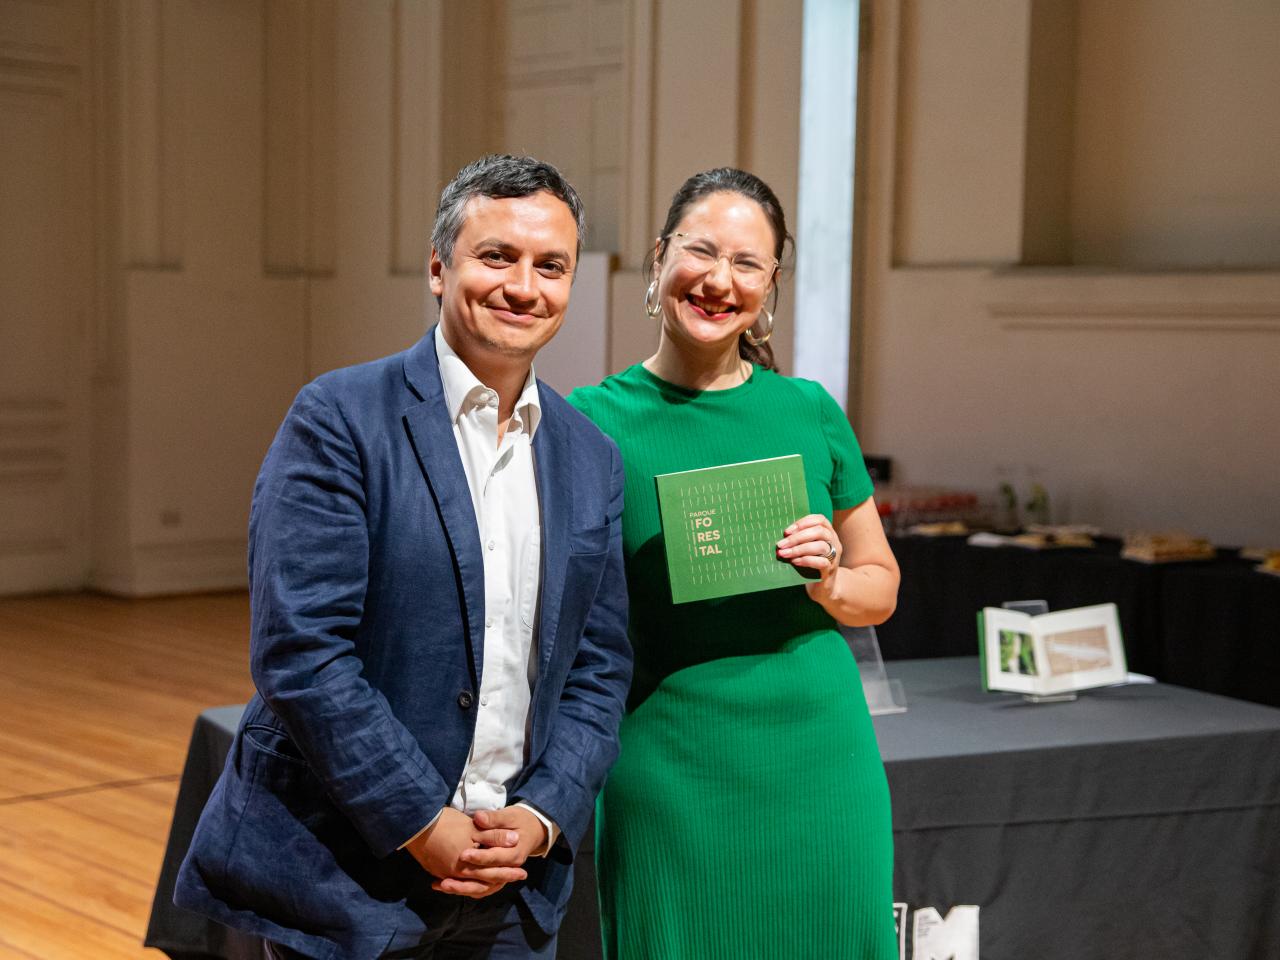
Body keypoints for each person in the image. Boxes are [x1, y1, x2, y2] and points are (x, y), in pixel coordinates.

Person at [174, 155, 632, 960]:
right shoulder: (338, 418)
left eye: (550, 265)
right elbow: (301, 651)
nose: (523, 286)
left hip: (514, 885)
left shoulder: (591, 456)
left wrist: (539, 816)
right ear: (438, 268)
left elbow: (599, 668)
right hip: (351, 879)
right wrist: (421, 821)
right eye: (497, 256)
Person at [567, 168, 900, 959]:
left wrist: (829, 581)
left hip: (820, 758)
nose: (720, 281)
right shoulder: (588, 424)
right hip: (668, 762)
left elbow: (880, 587)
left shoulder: (809, 409)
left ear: (770, 285)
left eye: (747, 263)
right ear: (659, 258)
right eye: (701, 252)